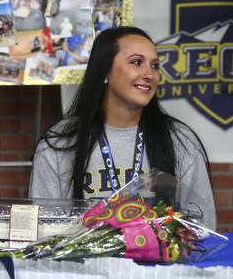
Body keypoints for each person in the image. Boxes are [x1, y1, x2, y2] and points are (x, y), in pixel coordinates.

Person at [29, 27, 216, 229]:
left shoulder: (179, 140)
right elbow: (43, 228)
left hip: (158, 260)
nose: (149, 74)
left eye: (155, 66)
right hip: (82, 260)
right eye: (137, 62)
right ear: (105, 72)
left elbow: (202, 224)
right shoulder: (59, 142)